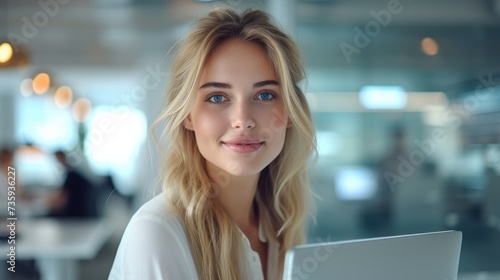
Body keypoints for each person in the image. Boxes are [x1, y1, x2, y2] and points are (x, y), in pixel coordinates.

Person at [109, 7, 317, 280]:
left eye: (265, 95)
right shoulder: (158, 232)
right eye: (217, 97)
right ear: (187, 116)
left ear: (290, 112)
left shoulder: (280, 224)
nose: (242, 121)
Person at [47, 150, 94, 218]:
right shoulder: (74, 172)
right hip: (82, 212)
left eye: (57, 159)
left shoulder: (71, 175)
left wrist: (47, 205)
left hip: (76, 213)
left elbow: (63, 199)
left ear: (62, 157)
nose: (57, 162)